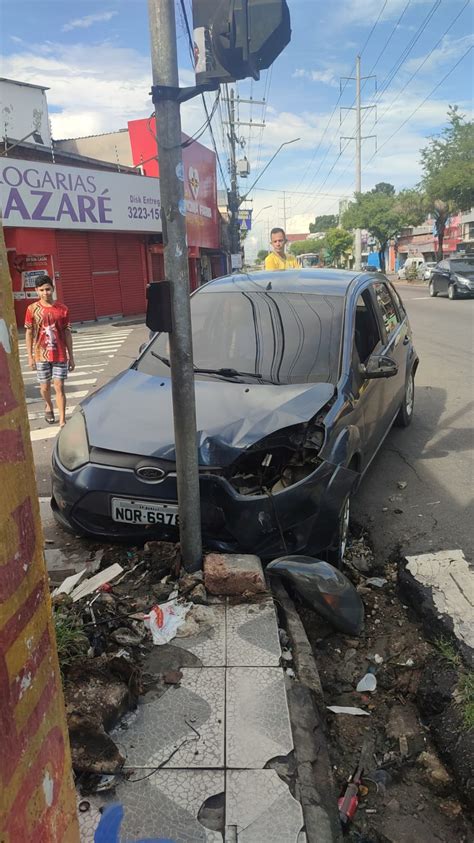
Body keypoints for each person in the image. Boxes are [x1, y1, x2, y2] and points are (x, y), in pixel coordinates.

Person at [25, 275, 75, 427]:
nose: (45, 293)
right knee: (44, 387)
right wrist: (30, 356)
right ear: (36, 291)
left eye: (48, 289)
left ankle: (62, 419)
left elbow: (67, 333)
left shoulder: (62, 309)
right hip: (41, 354)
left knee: (59, 386)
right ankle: (48, 405)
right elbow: (29, 333)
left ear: (53, 289)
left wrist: (71, 357)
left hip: (60, 354)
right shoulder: (32, 309)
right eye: (41, 290)